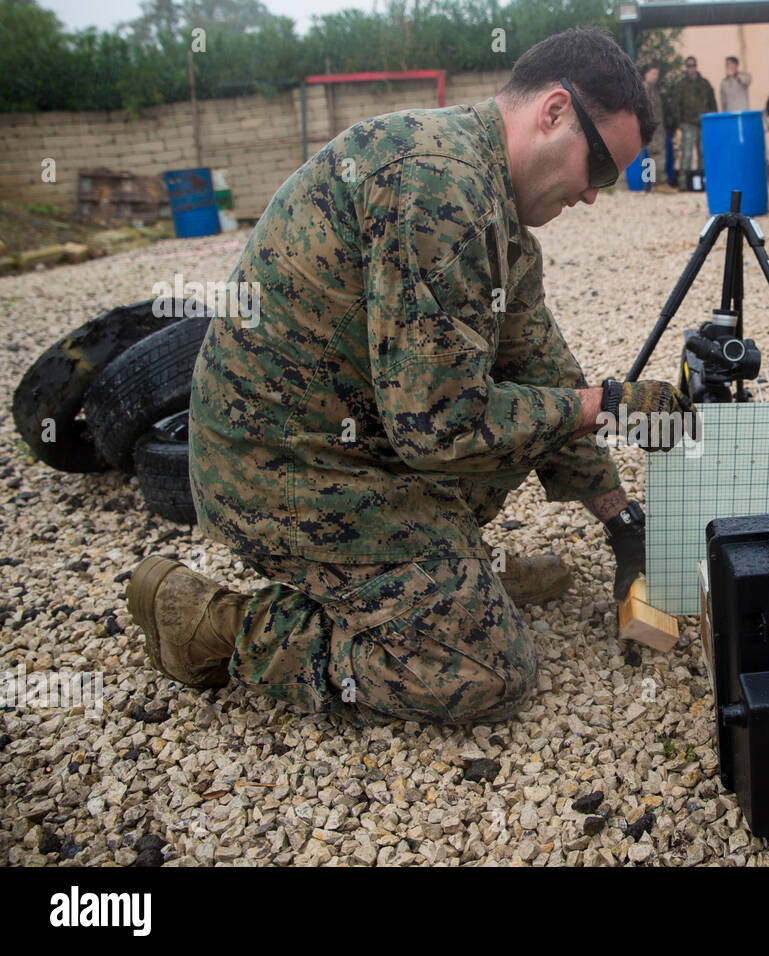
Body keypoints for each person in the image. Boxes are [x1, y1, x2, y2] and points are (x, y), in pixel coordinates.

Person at [125, 29, 696, 727]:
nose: (593, 197)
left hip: (354, 442)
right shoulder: (440, 189)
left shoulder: (498, 219)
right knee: (486, 672)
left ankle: (433, 580)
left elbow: (545, 375)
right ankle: (217, 625)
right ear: (553, 111)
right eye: (600, 168)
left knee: (535, 417)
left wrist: (621, 520)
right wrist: (605, 405)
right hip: (278, 468)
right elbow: (442, 426)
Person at [671, 56, 716, 189]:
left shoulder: (704, 84)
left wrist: (712, 120)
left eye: (693, 65)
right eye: (689, 66)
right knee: (687, 154)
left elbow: (712, 103)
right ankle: (683, 182)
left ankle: (707, 181)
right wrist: (679, 123)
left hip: (704, 123)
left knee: (705, 153)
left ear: (696, 66)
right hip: (688, 124)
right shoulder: (681, 85)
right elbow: (676, 105)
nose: (691, 68)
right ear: (686, 67)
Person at [642, 64, 665, 192]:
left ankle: (657, 183)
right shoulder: (645, 89)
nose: (656, 77)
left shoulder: (653, 89)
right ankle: (656, 183)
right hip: (652, 128)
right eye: (653, 74)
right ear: (647, 74)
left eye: (657, 74)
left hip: (657, 128)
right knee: (654, 156)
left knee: (656, 155)